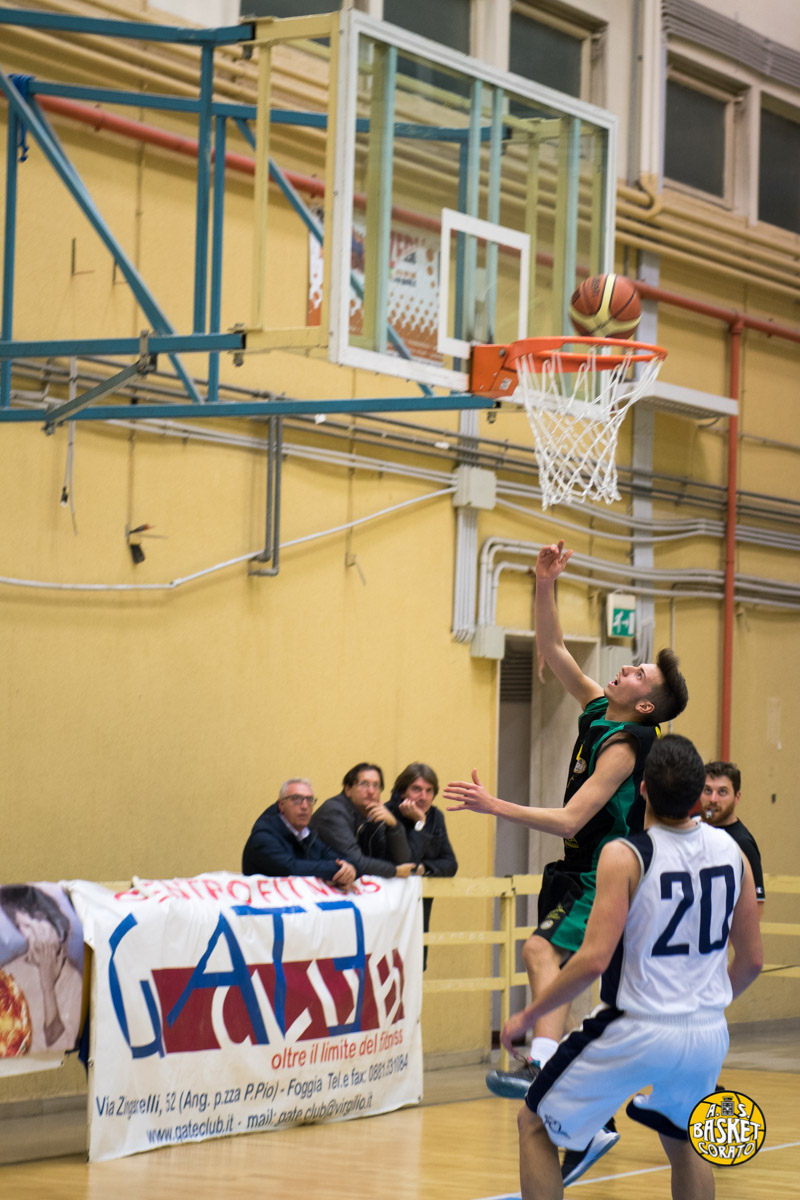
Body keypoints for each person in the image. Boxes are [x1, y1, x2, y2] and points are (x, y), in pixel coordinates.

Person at [444, 538, 688, 1181]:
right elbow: (552, 649)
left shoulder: (627, 745)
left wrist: (494, 805)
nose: (626, 667)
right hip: (578, 867)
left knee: (538, 951)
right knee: (567, 974)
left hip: (604, 868)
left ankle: (546, 1067)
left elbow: (572, 819)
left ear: (644, 704)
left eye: (638, 673)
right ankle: (586, 1109)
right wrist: (544, 582)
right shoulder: (598, 709)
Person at [500, 734, 763, 1199]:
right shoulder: (734, 853)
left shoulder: (626, 854)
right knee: (685, 1140)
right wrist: (703, 1005)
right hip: (707, 1033)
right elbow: (752, 961)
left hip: (636, 1025)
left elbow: (593, 960)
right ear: (698, 792)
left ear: (643, 788)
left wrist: (528, 1014)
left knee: (534, 1124)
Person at [387, 762, 458, 967]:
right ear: (402, 791)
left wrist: (424, 869)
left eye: (429, 791)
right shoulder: (387, 814)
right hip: (390, 907)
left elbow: (450, 863)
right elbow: (406, 860)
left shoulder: (435, 817)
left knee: (416, 967)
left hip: (419, 908)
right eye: (416, 789)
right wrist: (420, 823)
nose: (423, 797)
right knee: (389, 969)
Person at [0, 885, 84, 1054]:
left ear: (55, 925)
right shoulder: (10, 972)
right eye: (23, 926)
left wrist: (47, 984)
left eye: (36, 922)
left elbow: (58, 1042)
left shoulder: (73, 980)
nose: (32, 934)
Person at [242, 777, 357, 889]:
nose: (305, 806)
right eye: (296, 799)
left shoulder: (308, 835)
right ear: (281, 805)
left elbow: (344, 860)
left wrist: (350, 868)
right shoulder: (263, 836)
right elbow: (291, 869)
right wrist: (338, 870)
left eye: (309, 800)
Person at [310, 762, 419, 879]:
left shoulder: (374, 814)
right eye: (364, 784)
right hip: (309, 882)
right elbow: (355, 861)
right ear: (348, 790)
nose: (371, 791)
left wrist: (394, 826)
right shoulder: (334, 812)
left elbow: (402, 861)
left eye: (376, 785)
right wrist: (395, 871)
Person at [702, 761, 765, 915]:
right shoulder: (692, 830)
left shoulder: (742, 843)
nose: (713, 799)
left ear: (737, 797)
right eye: (707, 790)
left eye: (722, 792)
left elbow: (757, 906)